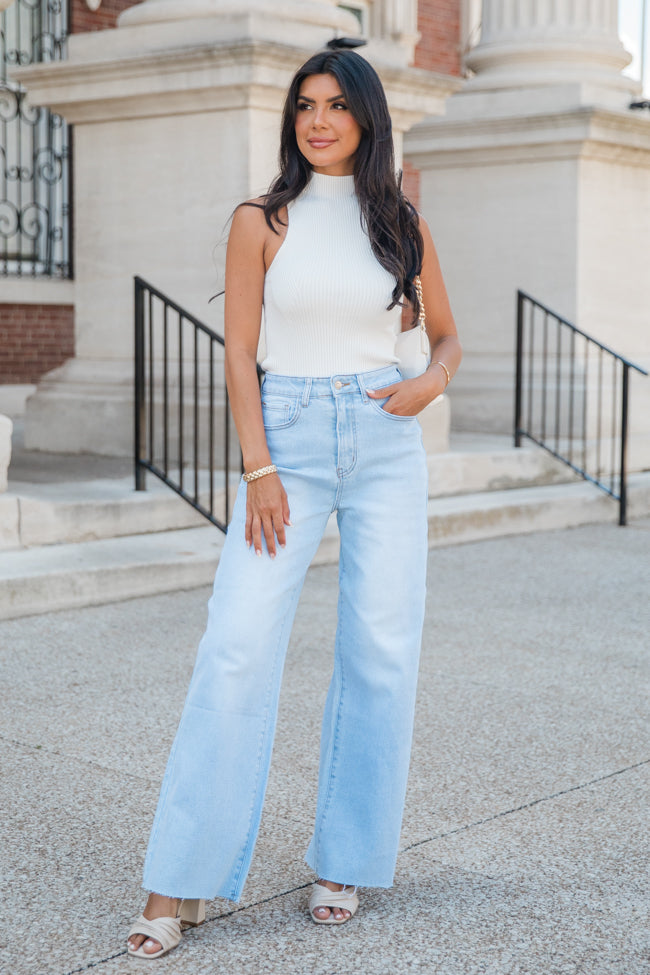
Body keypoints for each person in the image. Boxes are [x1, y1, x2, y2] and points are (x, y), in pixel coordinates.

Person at [127, 47, 461, 959]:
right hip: (289, 440)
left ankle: (344, 858)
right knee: (236, 644)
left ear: (367, 119)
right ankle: (177, 879)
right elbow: (240, 351)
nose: (318, 121)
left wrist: (431, 382)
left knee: (381, 648)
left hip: (385, 439)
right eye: (306, 106)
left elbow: (446, 335)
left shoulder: (401, 222)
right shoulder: (261, 220)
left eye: (337, 106)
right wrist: (258, 468)